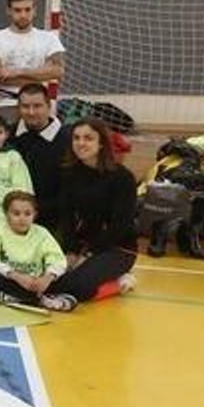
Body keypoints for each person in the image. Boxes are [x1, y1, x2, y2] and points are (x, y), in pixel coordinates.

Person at [55, 119, 140, 300]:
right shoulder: (69, 173)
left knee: (77, 289)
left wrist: (88, 254)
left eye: (88, 138)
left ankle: (120, 283)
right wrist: (71, 251)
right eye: (76, 138)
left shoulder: (122, 178)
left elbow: (120, 225)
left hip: (117, 248)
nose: (81, 143)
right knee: (53, 281)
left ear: (101, 143)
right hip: (83, 244)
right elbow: (66, 216)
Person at [0, 0, 66, 125]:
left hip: (39, 106)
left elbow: (58, 71)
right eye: (17, 10)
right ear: (8, 11)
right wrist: (41, 74)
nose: (23, 15)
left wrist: (17, 72)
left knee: (40, 145)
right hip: (6, 104)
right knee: (8, 146)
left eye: (27, 9)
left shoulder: (49, 38)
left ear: (35, 10)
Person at [0, 190, 78, 312]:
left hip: (35, 282)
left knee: (67, 277)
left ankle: (17, 298)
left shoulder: (42, 233)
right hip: (10, 280)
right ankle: (42, 301)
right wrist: (17, 276)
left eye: (27, 214)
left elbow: (58, 260)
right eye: (16, 213)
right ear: (6, 214)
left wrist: (47, 278)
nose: (22, 218)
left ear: (34, 215)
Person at [8, 83, 71, 229]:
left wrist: (34, 211)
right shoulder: (6, 136)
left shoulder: (68, 140)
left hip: (54, 216)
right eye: (25, 106)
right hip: (14, 212)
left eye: (37, 106)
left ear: (49, 106)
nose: (31, 112)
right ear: (18, 108)